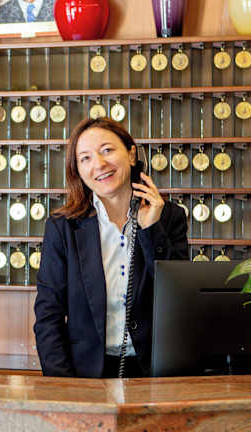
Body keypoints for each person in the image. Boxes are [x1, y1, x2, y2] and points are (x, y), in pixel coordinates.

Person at [34, 118, 188, 378]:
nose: (99, 164)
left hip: (155, 372)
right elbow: (49, 314)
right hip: (85, 374)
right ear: (78, 170)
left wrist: (151, 231)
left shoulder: (170, 216)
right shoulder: (63, 226)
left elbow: (179, 298)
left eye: (107, 150)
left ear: (131, 154)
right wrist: (63, 384)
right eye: (85, 158)